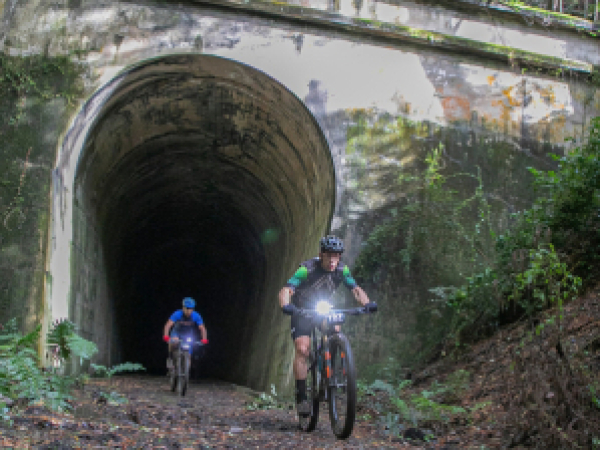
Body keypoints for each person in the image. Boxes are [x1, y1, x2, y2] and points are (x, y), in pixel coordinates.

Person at [278, 235, 375, 415]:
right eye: (329, 255)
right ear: (321, 255)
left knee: (336, 329)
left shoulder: (342, 270)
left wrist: (367, 303)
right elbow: (287, 289)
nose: (332, 260)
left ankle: (330, 369)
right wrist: (286, 305)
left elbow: (355, 289)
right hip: (302, 310)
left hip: (322, 307)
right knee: (302, 349)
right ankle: (301, 397)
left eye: (336, 256)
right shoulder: (307, 269)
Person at [162, 297, 208, 368]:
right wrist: (166, 335)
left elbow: (202, 328)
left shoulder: (196, 316)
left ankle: (186, 372)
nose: (188, 311)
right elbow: (168, 325)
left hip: (187, 334)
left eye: (191, 309)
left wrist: (204, 338)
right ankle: (170, 357)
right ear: (183, 308)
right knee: (174, 341)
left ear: (193, 309)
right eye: (187, 308)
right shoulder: (177, 314)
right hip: (177, 332)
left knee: (189, 355)